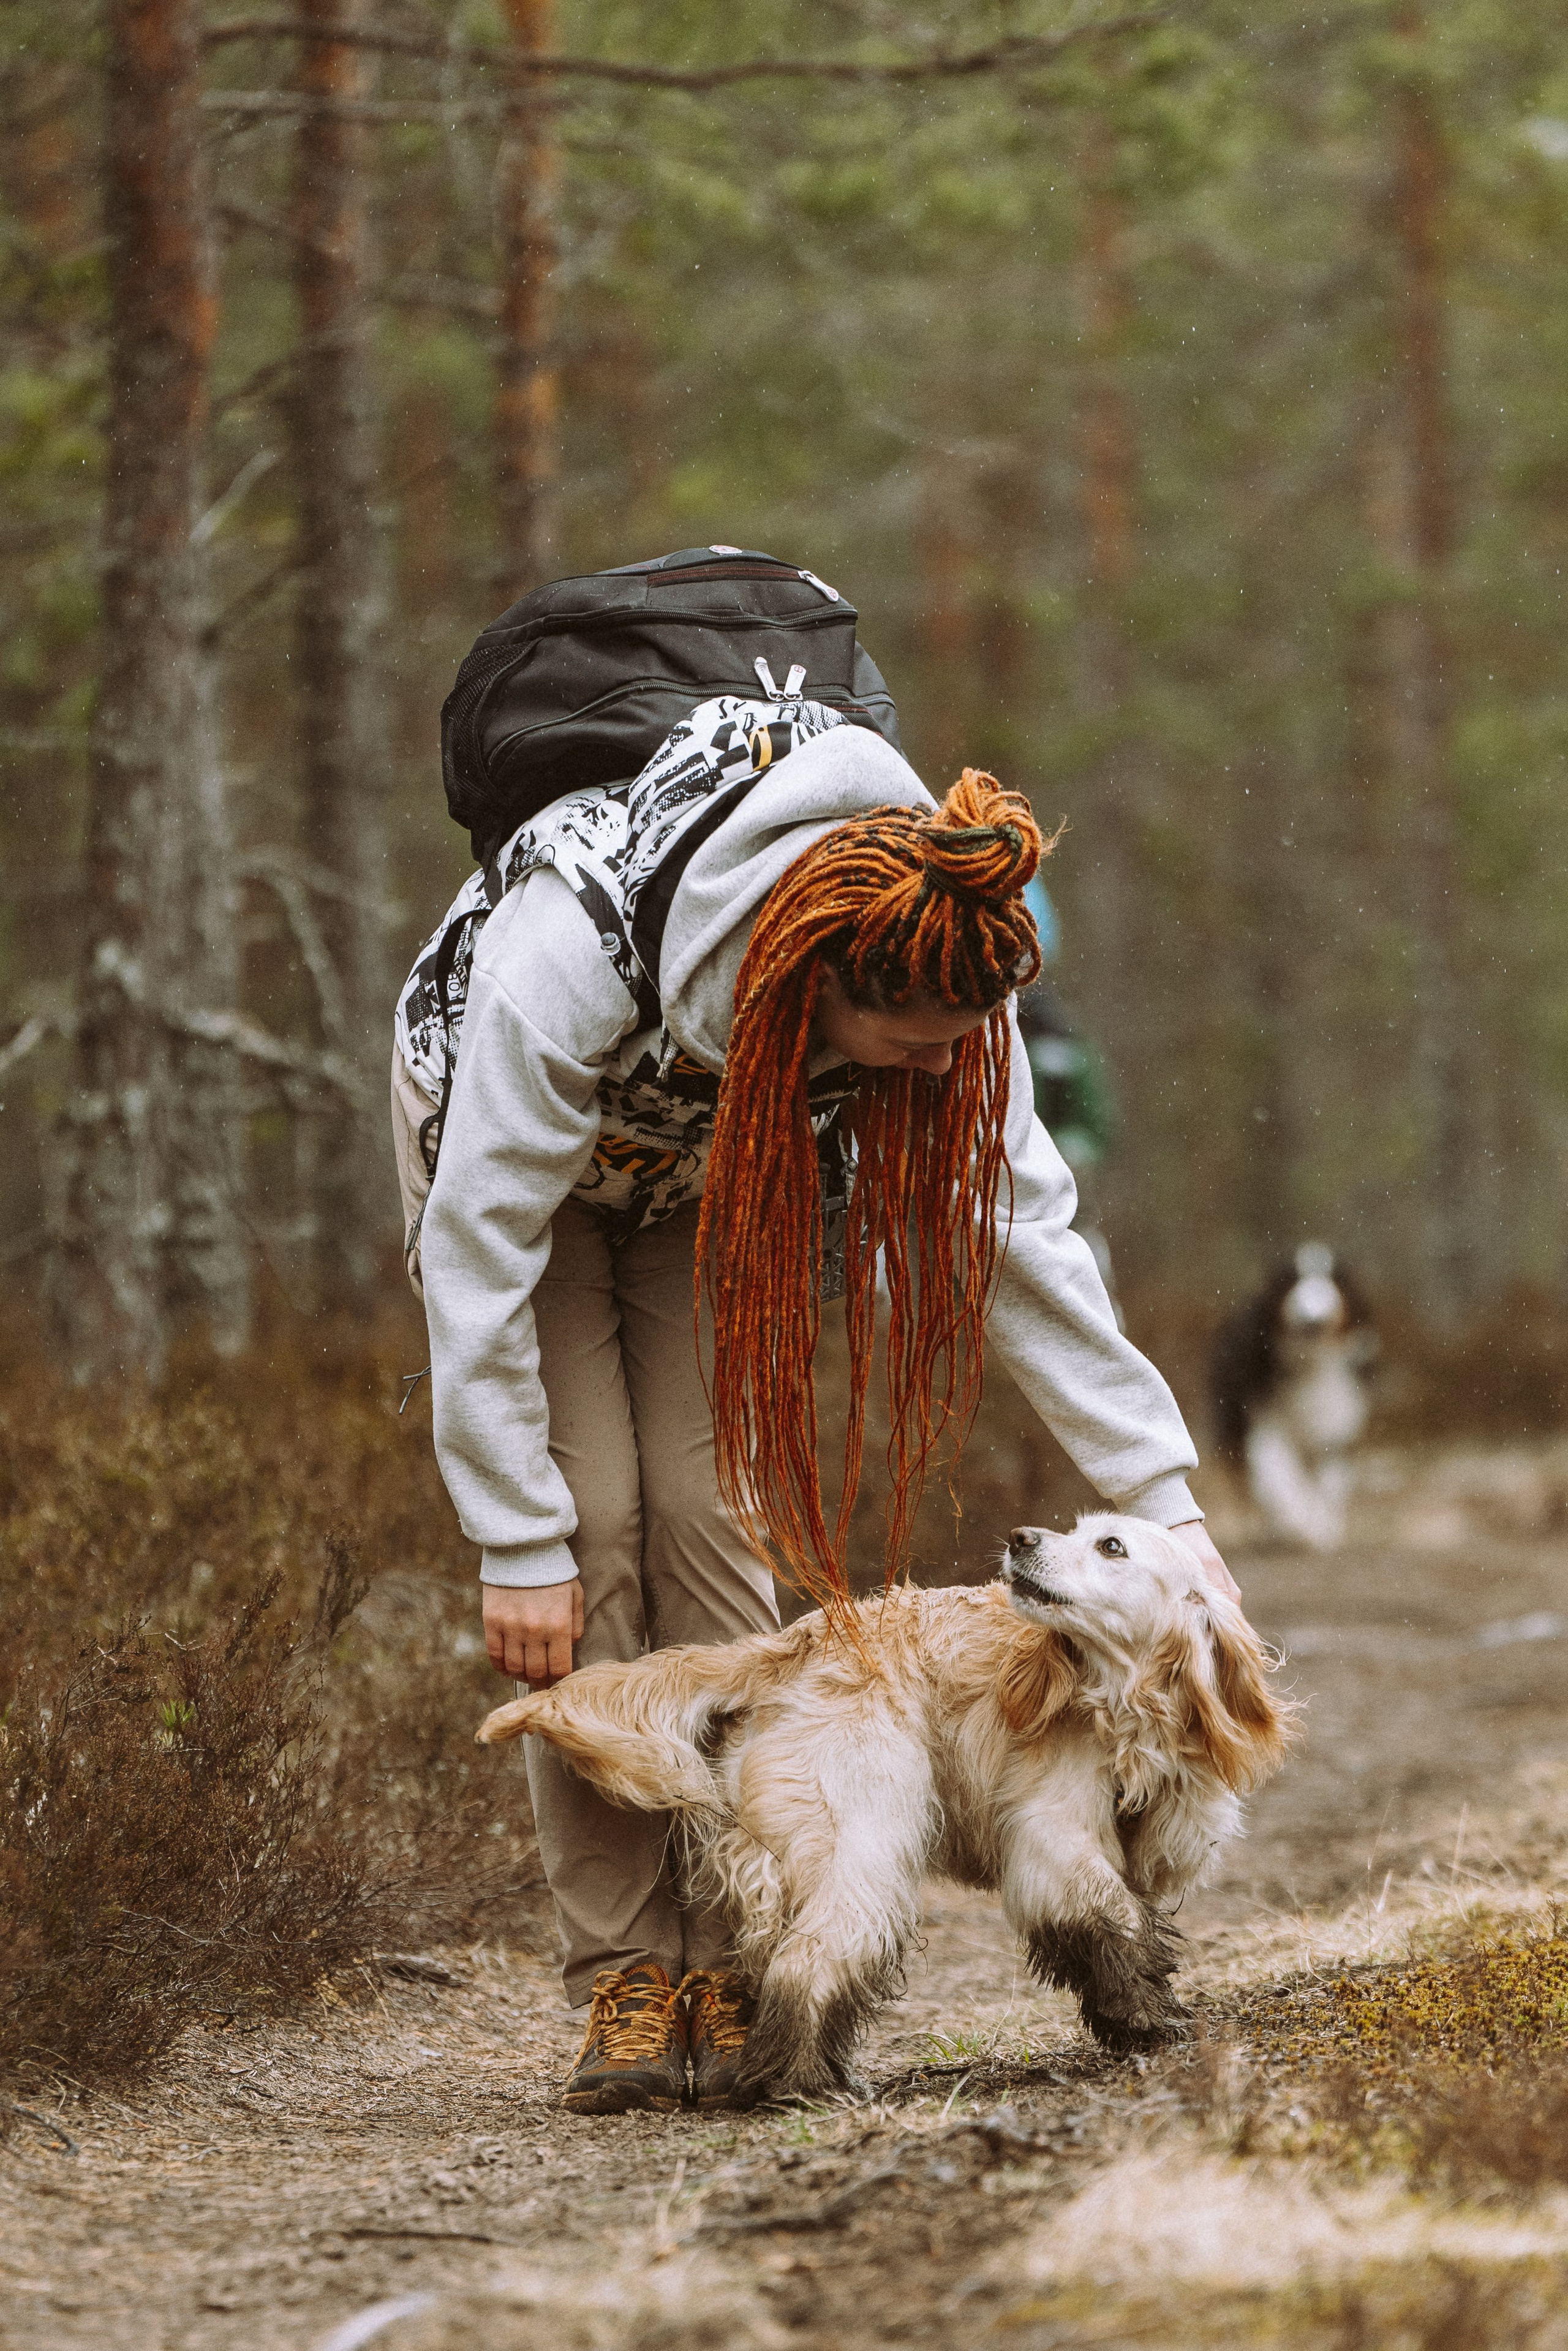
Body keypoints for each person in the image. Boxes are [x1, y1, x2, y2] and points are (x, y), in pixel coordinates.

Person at [392, 699, 1235, 2116]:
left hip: (717, 1164)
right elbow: (478, 1238)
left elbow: (1017, 1236)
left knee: (715, 1516)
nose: (934, 1068)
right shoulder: (571, 953)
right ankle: (622, 1974)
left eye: (956, 1045)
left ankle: (749, 1960)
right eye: (907, 1044)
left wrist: (1161, 1497)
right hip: (505, 1158)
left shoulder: (954, 987)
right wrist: (509, 1530)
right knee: (591, 1523)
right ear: (812, 977)